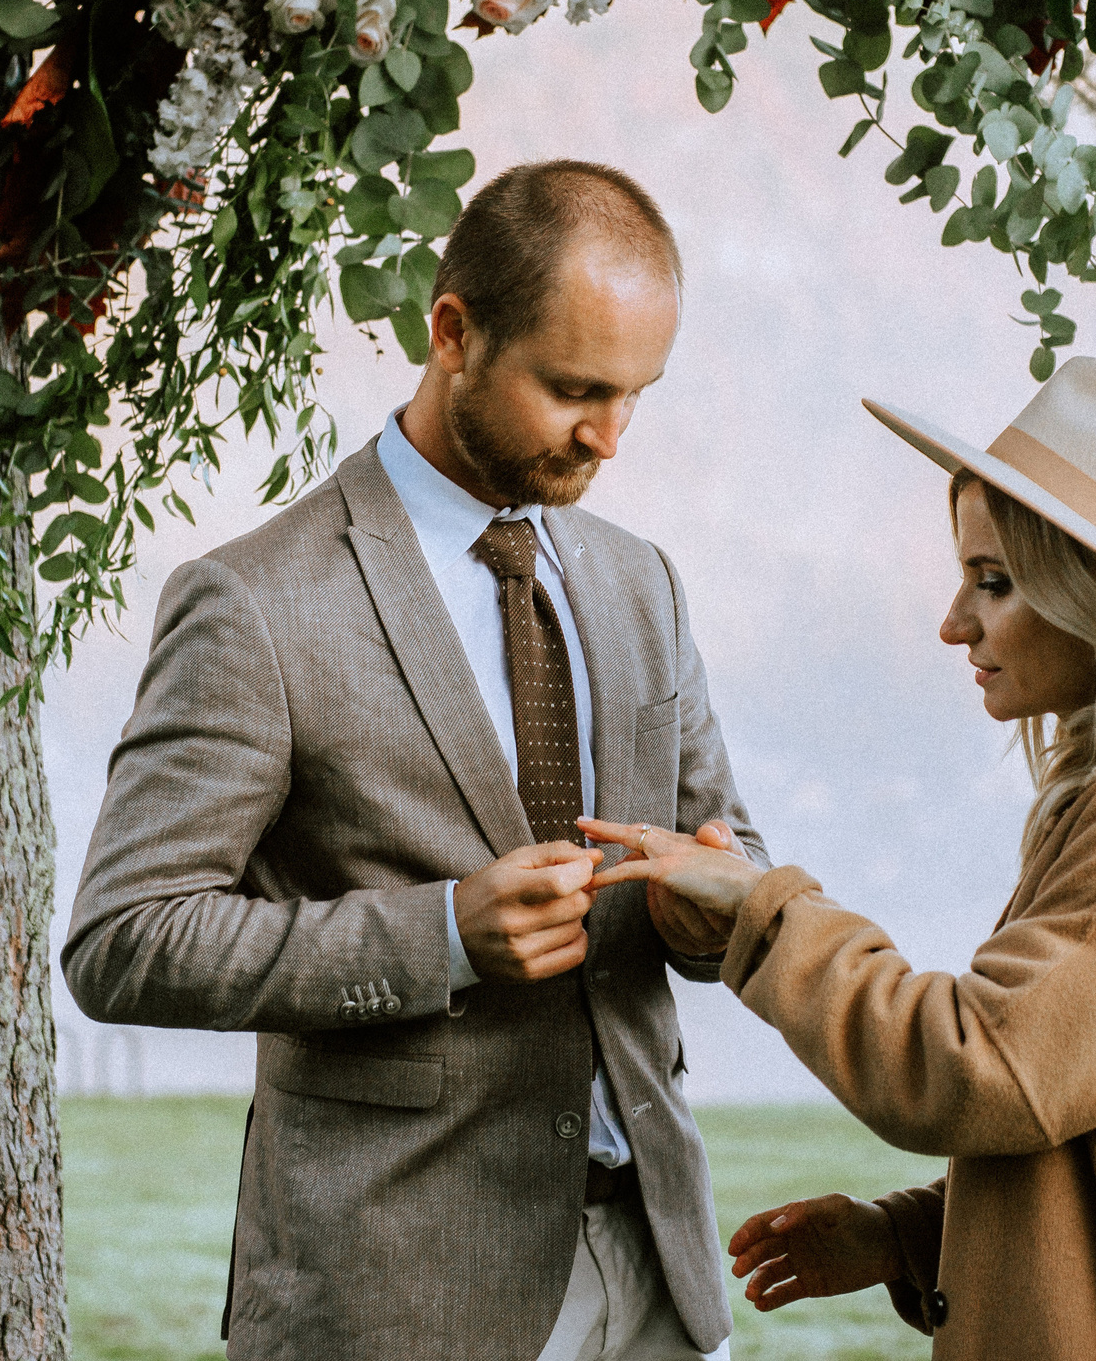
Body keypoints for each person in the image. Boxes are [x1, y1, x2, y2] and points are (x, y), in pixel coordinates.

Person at [61, 159, 765, 1361]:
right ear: (452, 331)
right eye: (574, 388)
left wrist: (713, 909)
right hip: (395, 1296)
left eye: (636, 393)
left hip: (657, 1273)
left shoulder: (640, 580)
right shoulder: (254, 601)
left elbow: (726, 844)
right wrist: (440, 935)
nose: (610, 434)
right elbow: (124, 938)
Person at [586, 358, 1096, 1360]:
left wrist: (764, 911)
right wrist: (908, 1237)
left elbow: (982, 1067)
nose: (953, 622)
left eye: (994, 582)